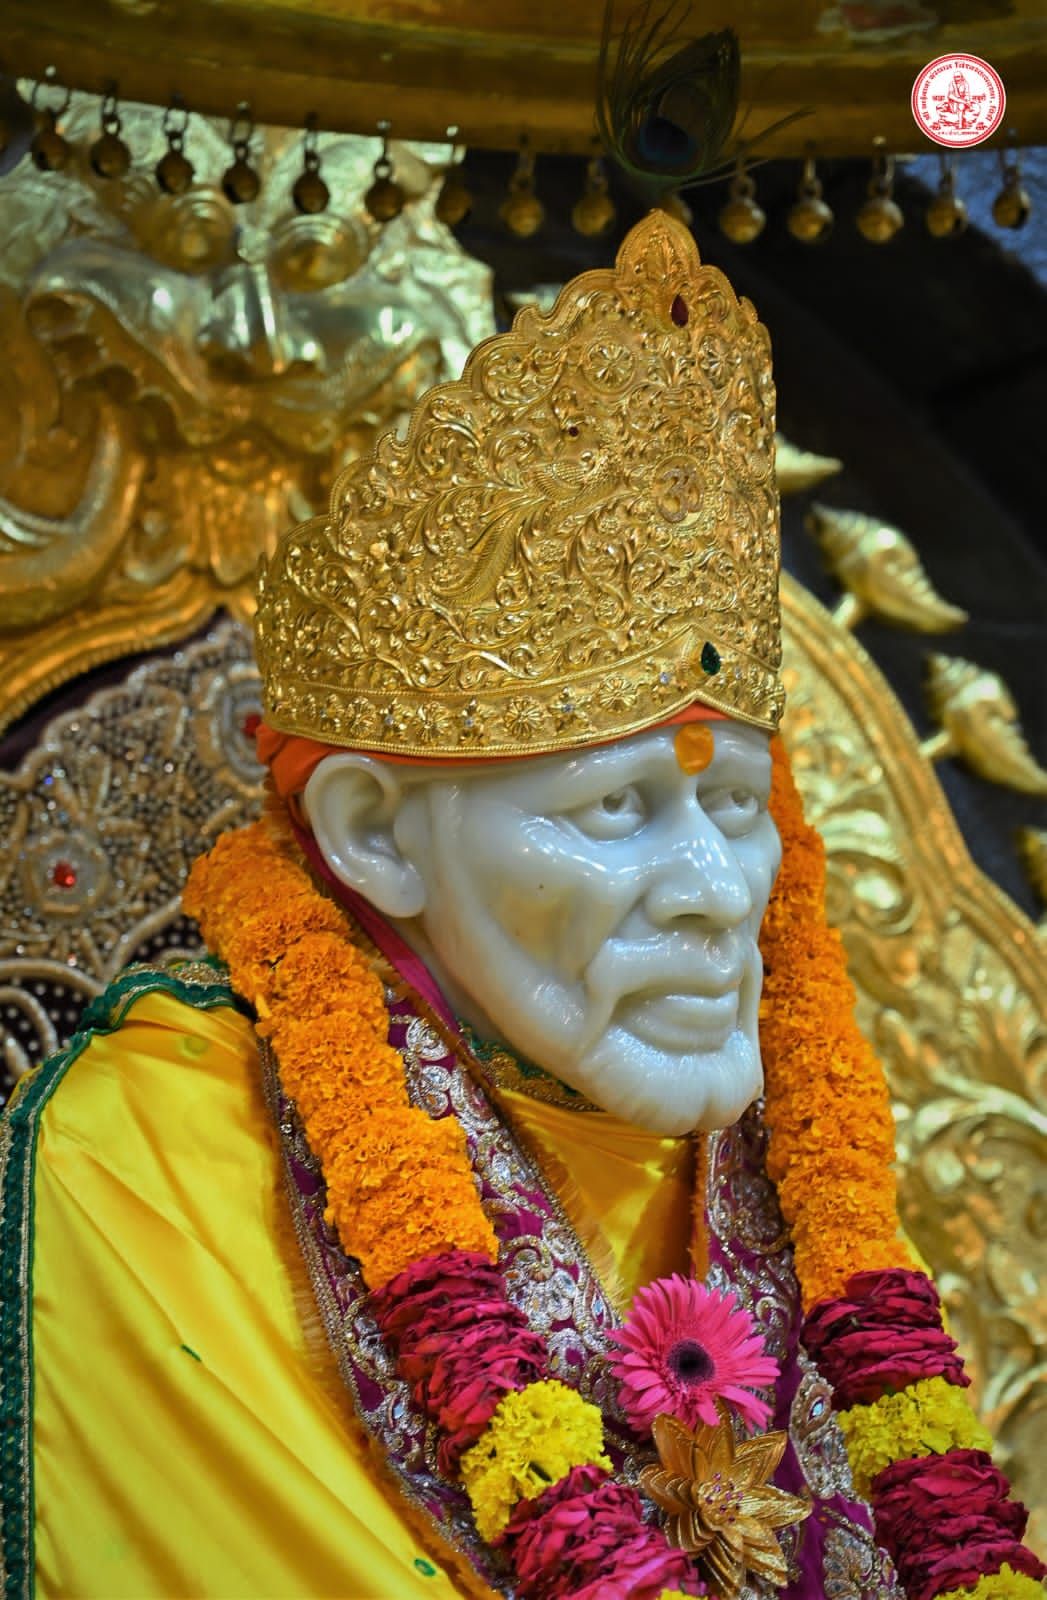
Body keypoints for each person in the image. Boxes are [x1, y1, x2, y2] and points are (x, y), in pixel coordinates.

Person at [3, 212, 1039, 1600]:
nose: (720, 892)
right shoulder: (152, 1159)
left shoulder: (788, 1148)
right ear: (378, 835)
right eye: (615, 809)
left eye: (738, 807)